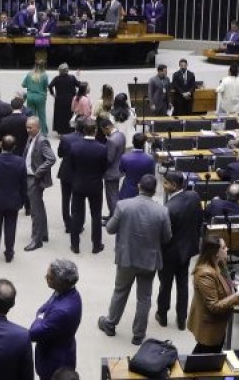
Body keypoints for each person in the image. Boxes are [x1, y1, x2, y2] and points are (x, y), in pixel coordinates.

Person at [97, 174, 172, 346]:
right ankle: (138, 335)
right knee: (144, 298)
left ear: (139, 186)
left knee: (120, 291)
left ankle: (110, 324)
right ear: (154, 190)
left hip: (127, 258)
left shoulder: (123, 206)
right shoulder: (162, 211)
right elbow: (167, 237)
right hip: (149, 260)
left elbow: (110, 229)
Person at [188, 235, 239, 352]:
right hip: (209, 325)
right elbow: (214, 306)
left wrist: (233, 284)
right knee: (205, 353)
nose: (227, 249)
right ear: (215, 252)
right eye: (224, 247)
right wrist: (237, 295)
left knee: (210, 352)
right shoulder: (205, 274)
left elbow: (221, 283)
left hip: (218, 322)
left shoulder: (219, 264)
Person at [156, 172, 203, 330]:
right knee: (183, 285)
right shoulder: (194, 196)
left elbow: (164, 235)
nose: (163, 186)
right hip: (186, 251)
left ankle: (162, 315)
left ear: (174, 185)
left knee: (165, 285)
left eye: (165, 183)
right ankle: (182, 320)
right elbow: (199, 220)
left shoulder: (168, 208)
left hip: (169, 253)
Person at [30, 259, 82, 380]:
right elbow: (44, 308)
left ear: (60, 283)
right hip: (60, 348)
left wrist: (39, 317)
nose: (45, 278)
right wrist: (41, 315)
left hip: (54, 362)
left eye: (49, 277)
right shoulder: (65, 291)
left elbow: (33, 333)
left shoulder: (61, 312)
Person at [0, 135, 27, 262]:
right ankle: (9, 253)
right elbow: (24, 183)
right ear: (14, 147)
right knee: (11, 227)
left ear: (1, 145)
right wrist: (23, 199)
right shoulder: (20, 162)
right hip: (14, 200)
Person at [69, 120, 108, 254]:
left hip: (79, 184)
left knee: (76, 214)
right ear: (95, 131)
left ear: (83, 131)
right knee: (96, 215)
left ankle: (75, 245)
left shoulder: (74, 147)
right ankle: (96, 245)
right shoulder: (102, 148)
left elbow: (71, 166)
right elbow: (104, 167)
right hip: (95, 185)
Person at [24, 116, 56, 251]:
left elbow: (51, 159)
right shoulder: (31, 138)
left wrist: (38, 171)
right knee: (39, 207)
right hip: (29, 176)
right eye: (27, 127)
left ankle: (36, 240)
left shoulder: (42, 141)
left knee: (35, 210)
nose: (28, 130)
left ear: (38, 127)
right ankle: (43, 234)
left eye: (30, 128)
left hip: (35, 179)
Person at [101, 117, 125, 219]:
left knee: (111, 196)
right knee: (114, 194)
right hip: (118, 169)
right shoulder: (121, 135)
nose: (103, 133)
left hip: (111, 172)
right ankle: (112, 215)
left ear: (107, 128)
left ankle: (113, 219)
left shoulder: (111, 140)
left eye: (103, 130)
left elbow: (109, 159)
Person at [118, 133, 154, 200]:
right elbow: (152, 175)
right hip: (144, 192)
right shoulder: (150, 159)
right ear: (144, 143)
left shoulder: (124, 158)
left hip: (128, 191)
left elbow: (121, 170)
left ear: (132, 142)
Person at [48, 64, 79, 135]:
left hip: (59, 100)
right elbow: (79, 85)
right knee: (69, 115)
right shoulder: (72, 78)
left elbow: (50, 86)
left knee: (60, 116)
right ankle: (69, 130)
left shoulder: (56, 78)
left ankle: (60, 131)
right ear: (67, 70)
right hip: (70, 100)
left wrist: (53, 94)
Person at [23, 63, 50, 135]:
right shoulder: (44, 75)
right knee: (41, 115)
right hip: (40, 97)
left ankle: (31, 131)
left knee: (31, 115)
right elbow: (46, 86)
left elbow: (23, 84)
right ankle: (43, 132)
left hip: (30, 96)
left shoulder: (29, 74)